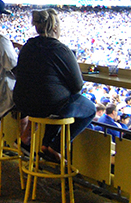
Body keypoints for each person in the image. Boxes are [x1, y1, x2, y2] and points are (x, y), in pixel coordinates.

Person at [13, 9, 95, 162]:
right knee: (89, 109)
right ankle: (56, 146)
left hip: (23, 103)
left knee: (55, 102)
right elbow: (78, 86)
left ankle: (44, 145)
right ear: (56, 27)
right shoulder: (61, 49)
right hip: (48, 106)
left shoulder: (27, 46)